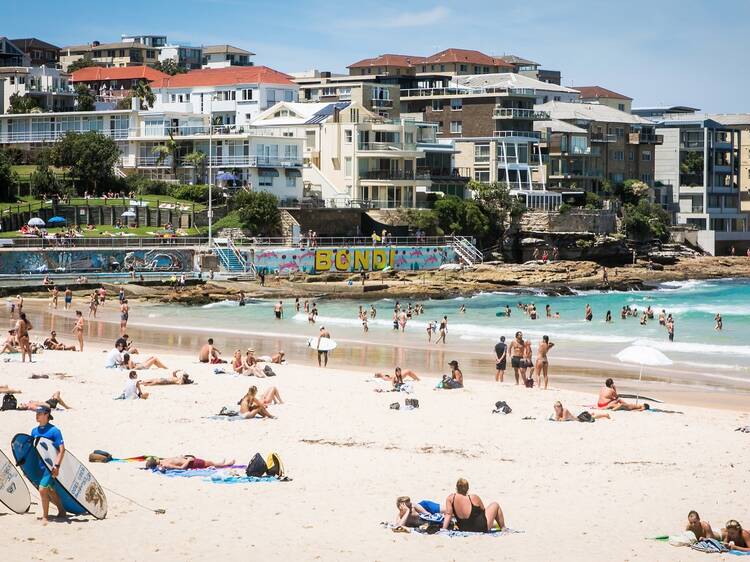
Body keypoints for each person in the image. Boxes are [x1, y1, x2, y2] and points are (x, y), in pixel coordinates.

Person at [30, 405, 67, 523]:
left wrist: (57, 466)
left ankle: (45, 517)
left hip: (51, 467)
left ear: (47, 415)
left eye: (40, 413)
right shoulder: (34, 431)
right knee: (50, 489)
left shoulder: (54, 431)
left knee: (42, 489)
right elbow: (32, 451)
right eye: (36, 413)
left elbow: (62, 450)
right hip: (40, 465)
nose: (37, 415)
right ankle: (62, 511)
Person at [145, 455, 234, 471]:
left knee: (209, 462)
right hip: (191, 463)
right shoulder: (165, 464)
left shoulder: (162, 460)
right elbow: (181, 468)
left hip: (189, 460)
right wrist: (188, 460)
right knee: (209, 463)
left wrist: (181, 457)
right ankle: (225, 465)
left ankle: (220, 463)